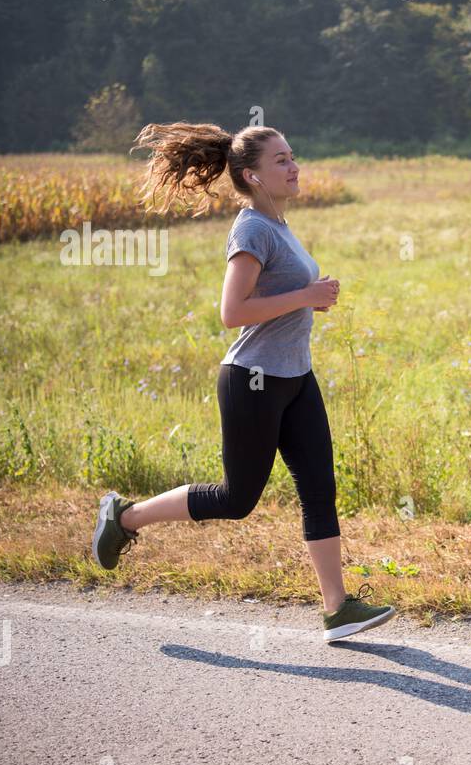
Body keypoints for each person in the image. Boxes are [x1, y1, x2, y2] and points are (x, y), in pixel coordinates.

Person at [91, 122, 394, 642]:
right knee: (236, 499)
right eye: (281, 160)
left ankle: (338, 609)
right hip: (253, 378)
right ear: (252, 175)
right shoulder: (252, 227)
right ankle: (126, 516)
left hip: (296, 377)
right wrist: (306, 296)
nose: (294, 165)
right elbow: (233, 312)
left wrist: (312, 295)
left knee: (320, 490)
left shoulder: (278, 223)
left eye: (292, 155)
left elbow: (283, 297)